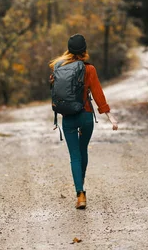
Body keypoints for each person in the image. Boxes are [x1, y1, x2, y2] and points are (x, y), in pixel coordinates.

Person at [49, 33, 118, 209]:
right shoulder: (89, 69)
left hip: (68, 118)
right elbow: (97, 93)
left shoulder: (59, 67)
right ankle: (81, 180)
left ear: (69, 49)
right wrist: (109, 115)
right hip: (86, 115)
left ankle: (80, 195)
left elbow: (56, 92)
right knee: (83, 150)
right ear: (85, 50)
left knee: (74, 156)